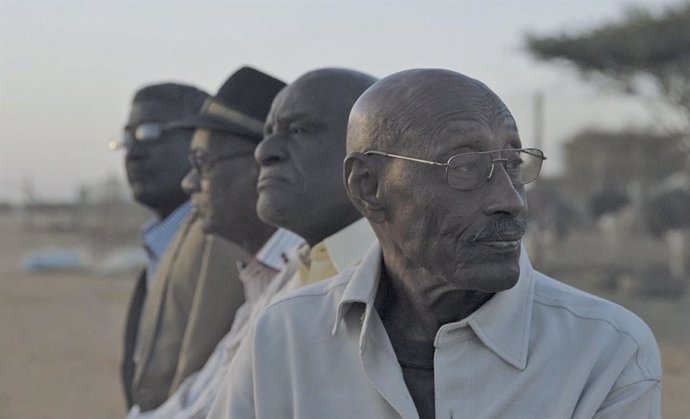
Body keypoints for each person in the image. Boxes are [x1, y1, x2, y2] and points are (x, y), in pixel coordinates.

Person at [211, 69, 662, 419]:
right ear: (368, 186)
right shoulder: (282, 338)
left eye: (512, 163)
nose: (511, 202)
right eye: (465, 166)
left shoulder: (605, 350)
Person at [130, 67, 297, 413]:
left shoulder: (307, 283)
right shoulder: (263, 274)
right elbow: (199, 393)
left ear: (264, 165)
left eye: (203, 162)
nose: (190, 182)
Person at [119, 83, 209, 408]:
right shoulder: (160, 244)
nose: (134, 151)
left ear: (203, 142)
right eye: (128, 137)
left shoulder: (228, 248)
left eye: (150, 132)